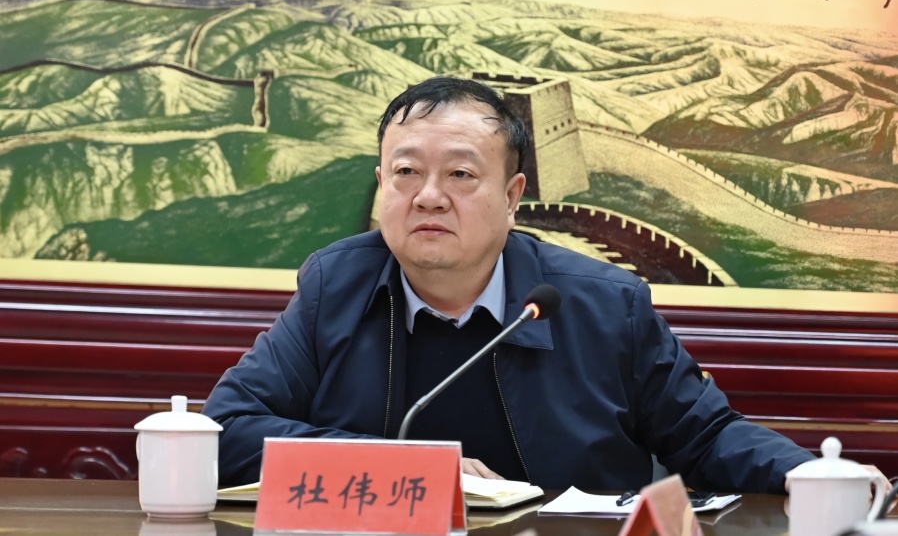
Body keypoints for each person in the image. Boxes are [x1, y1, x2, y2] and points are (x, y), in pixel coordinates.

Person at [203, 76, 817, 492]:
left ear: (512, 195)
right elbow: (226, 428)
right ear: (382, 184)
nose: (429, 196)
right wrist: (407, 467)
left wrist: (813, 477)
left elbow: (706, 436)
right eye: (406, 172)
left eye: (461, 174)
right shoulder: (335, 286)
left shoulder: (604, 304)